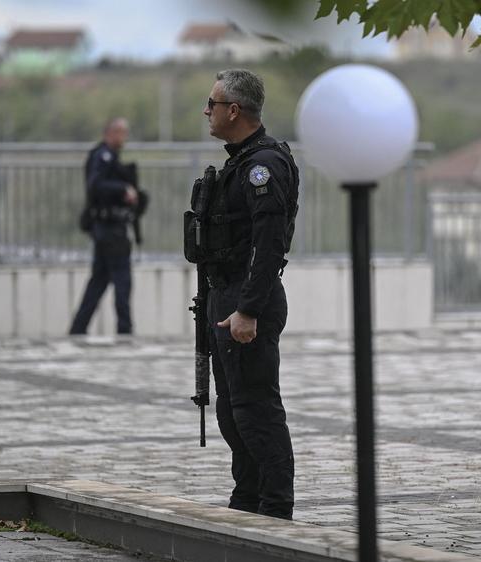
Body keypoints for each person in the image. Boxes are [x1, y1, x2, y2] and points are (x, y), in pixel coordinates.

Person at [199, 69, 299, 519]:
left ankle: (275, 513)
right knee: (233, 415)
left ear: (233, 110)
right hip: (227, 296)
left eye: (212, 104)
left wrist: (248, 309)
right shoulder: (240, 162)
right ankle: (247, 504)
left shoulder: (264, 165)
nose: (207, 111)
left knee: (256, 413)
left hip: (247, 299)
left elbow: (268, 243)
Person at [69, 117, 139, 335]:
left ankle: (78, 330)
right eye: (120, 132)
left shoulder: (108, 157)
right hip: (110, 230)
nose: (123, 138)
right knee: (122, 280)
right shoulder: (103, 156)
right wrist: (123, 189)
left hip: (107, 229)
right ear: (109, 133)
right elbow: (96, 185)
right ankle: (124, 331)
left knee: (98, 282)